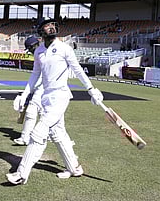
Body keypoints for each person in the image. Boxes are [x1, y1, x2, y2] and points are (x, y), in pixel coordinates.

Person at [6, 17, 103, 185]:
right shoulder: (38, 52)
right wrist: (24, 95)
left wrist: (91, 89)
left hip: (60, 96)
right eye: (47, 26)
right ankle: (74, 168)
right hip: (46, 98)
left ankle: (21, 174)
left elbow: (77, 70)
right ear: (41, 31)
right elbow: (35, 75)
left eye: (52, 25)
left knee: (38, 132)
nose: (51, 28)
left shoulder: (64, 48)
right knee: (58, 134)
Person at [12, 35, 43, 146]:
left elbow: (42, 75)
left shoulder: (44, 52)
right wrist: (26, 93)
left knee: (40, 113)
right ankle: (25, 137)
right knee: (35, 112)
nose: (29, 51)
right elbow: (36, 74)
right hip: (41, 88)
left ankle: (28, 137)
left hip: (50, 88)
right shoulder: (37, 54)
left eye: (30, 49)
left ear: (34, 45)